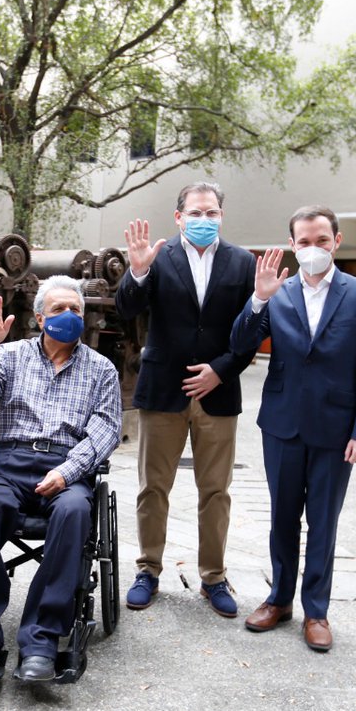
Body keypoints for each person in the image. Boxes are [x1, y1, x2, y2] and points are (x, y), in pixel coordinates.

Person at [229, 205, 356, 652]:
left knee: (323, 522)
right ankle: (279, 600)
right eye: (304, 242)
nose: (313, 248)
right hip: (282, 424)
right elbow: (240, 344)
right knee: (282, 517)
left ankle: (316, 611)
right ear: (292, 245)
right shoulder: (276, 292)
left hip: (337, 428)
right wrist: (258, 299)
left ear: (336, 241)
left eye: (321, 240)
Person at [0, 277, 122, 682]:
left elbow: (106, 430)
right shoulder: (9, 356)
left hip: (67, 465)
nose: (69, 315)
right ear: (40, 318)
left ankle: (41, 640)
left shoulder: (101, 369)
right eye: (59, 309)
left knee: (75, 511)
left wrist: (67, 472)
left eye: (75, 309)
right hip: (10, 462)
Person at [116, 182, 257, 617]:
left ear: (221, 216)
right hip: (164, 389)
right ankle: (148, 570)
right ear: (179, 217)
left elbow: (252, 330)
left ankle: (213, 577)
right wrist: (137, 272)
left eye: (211, 212)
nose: (204, 220)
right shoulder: (158, 257)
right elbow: (125, 309)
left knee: (216, 491)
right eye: (196, 213)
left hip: (219, 391)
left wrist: (221, 370)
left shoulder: (242, 262)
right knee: (153, 487)